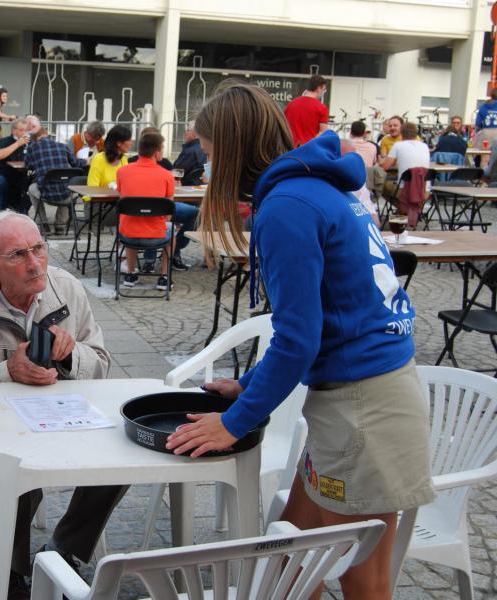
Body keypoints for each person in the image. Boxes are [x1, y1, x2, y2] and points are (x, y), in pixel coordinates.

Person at [168, 83, 434, 600]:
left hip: (363, 407)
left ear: (233, 148)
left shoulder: (287, 205)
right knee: (290, 565)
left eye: (211, 151)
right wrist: (248, 387)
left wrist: (234, 423)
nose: (205, 165)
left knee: (363, 581)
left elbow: (298, 339)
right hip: (360, 398)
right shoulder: (315, 186)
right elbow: (319, 320)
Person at [0, 211, 122, 590]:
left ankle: (66, 551)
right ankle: (8, 570)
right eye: (18, 255)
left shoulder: (65, 288)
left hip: (60, 418)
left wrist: (71, 357)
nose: (35, 264)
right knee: (13, 470)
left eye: (38, 249)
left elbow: (101, 363)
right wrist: (6, 372)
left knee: (118, 455)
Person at [115, 131, 177, 290]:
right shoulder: (167, 176)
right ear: (156, 153)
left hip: (127, 235)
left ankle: (130, 273)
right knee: (173, 229)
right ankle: (164, 276)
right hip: (156, 236)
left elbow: (122, 194)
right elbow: (168, 213)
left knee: (131, 220)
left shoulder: (122, 172)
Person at [25, 127, 85, 235]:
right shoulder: (63, 146)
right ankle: (60, 226)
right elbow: (76, 164)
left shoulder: (33, 148)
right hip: (66, 197)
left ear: (34, 138)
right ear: (47, 134)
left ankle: (44, 225)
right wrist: (86, 161)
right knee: (65, 186)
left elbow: (28, 165)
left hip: (46, 195)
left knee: (31, 188)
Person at [0, 118, 30, 213]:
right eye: (21, 130)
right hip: (3, 174)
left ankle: (21, 211)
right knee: (0, 182)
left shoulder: (29, 143)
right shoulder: (5, 141)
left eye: (26, 130)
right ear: (13, 130)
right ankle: (3, 209)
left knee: (35, 186)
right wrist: (18, 144)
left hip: (21, 175)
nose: (24, 132)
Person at [283, 74, 329, 147]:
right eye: (324, 90)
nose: (323, 92)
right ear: (318, 88)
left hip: (290, 148)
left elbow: (283, 126)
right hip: (309, 150)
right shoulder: (321, 108)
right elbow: (323, 133)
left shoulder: (291, 104)